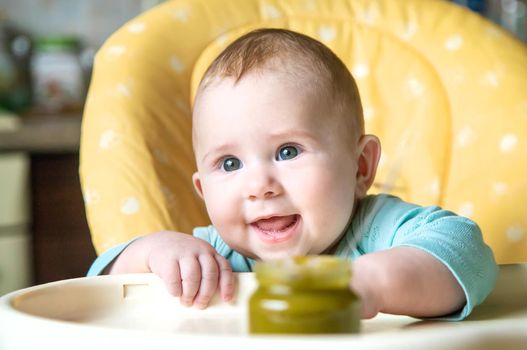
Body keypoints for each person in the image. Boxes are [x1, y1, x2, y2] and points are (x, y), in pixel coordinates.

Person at [88, 28, 497, 320]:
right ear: (202, 189)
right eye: (229, 164)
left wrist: (370, 283)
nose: (259, 185)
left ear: (360, 167)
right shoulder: (212, 260)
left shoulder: (378, 231)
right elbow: (97, 290)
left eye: (288, 151)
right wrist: (155, 250)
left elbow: (467, 252)